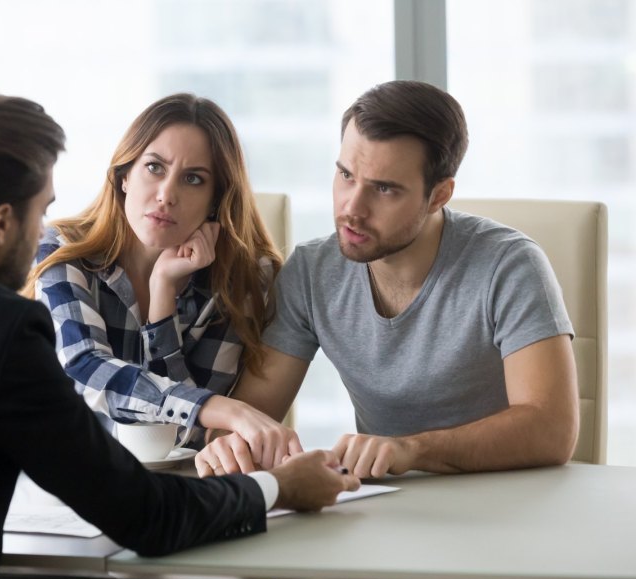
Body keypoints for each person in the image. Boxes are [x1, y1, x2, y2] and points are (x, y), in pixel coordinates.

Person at [0, 91, 360, 579]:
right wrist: (281, 488)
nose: (44, 227)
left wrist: (162, 299)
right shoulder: (2, 329)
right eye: (41, 210)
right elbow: (145, 516)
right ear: (1, 223)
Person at [197, 79, 579, 481]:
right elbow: (249, 414)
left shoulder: (509, 265)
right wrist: (230, 441)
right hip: (387, 506)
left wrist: (409, 449)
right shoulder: (312, 272)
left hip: (511, 502)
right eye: (345, 175)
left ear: (439, 196)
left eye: (384, 189)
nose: (352, 208)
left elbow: (551, 431)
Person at [24, 93, 300, 469]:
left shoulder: (244, 279)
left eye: (193, 179)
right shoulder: (62, 250)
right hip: (71, 486)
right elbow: (85, 369)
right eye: (154, 167)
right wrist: (218, 409)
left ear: (215, 200)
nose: (166, 195)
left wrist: (162, 299)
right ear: (124, 177)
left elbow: (189, 438)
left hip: (183, 487)